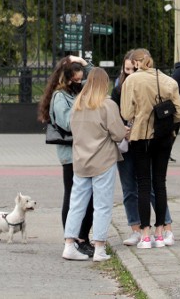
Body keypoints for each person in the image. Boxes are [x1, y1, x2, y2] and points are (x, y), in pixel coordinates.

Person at [120, 48, 180, 249]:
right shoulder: (169, 81)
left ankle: (145, 235)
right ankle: (160, 232)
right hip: (164, 137)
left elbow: (126, 111)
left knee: (143, 184)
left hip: (141, 137)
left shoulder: (131, 81)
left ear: (138, 63)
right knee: (160, 183)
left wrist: (140, 115)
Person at [62, 68, 127, 261]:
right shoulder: (107, 105)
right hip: (103, 160)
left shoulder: (78, 104)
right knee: (102, 205)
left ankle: (69, 245)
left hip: (81, 160)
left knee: (76, 204)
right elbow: (117, 134)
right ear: (104, 83)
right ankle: (99, 248)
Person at [38, 55, 95, 257]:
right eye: (77, 79)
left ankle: (83, 238)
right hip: (70, 154)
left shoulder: (81, 89)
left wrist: (83, 62)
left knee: (90, 198)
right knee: (73, 197)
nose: (81, 81)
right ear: (67, 78)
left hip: (86, 152)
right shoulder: (60, 96)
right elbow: (68, 123)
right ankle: (71, 239)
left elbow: (97, 77)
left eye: (82, 78)